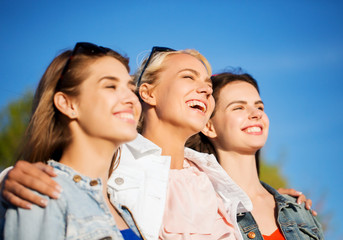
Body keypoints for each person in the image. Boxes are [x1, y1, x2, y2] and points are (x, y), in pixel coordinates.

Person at [0, 47, 314, 240]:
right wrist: (6, 180)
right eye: (190, 78)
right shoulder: (121, 158)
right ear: (148, 93)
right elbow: (73, 182)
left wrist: (272, 199)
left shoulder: (213, 178)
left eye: (207, 85)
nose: (204, 90)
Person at [0, 42, 143, 240]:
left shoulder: (124, 210)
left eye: (131, 88)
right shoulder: (43, 193)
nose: (131, 98)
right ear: (67, 104)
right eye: (110, 86)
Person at [187, 70, 324, 239]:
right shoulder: (198, 205)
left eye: (259, 107)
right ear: (209, 126)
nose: (256, 113)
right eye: (238, 107)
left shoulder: (299, 210)